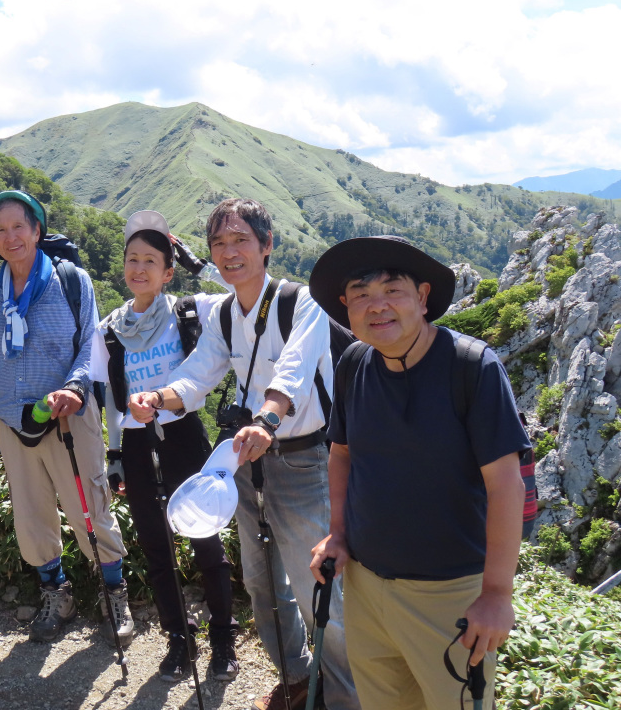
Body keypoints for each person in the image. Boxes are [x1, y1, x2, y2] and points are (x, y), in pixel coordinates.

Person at [130, 197, 359, 710]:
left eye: (240, 240)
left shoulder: (302, 302)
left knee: (317, 588)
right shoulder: (223, 314)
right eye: (219, 243)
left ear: (266, 245)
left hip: (304, 461)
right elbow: (198, 374)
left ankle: (344, 697)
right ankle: (297, 679)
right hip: (247, 462)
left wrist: (267, 420)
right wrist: (158, 398)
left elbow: (293, 372)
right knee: (261, 584)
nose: (229, 252)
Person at [307, 236, 529, 710]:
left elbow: (506, 484)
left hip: (449, 596)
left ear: (423, 297)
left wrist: (496, 593)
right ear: (346, 306)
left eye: (393, 290)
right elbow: (342, 454)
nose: (377, 305)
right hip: (365, 585)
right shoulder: (354, 363)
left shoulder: (471, 367)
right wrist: (337, 534)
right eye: (361, 294)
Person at [0, 190, 133, 647]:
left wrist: (75, 388)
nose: (11, 237)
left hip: (68, 417)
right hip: (11, 418)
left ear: (37, 230)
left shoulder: (71, 281)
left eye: (19, 227)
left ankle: (114, 593)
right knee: (31, 516)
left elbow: (90, 346)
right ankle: (56, 593)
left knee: (90, 511)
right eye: (0, 230)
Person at [91, 210, 238, 682]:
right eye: (132, 259)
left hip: (183, 437)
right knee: (156, 548)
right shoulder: (109, 329)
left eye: (150, 261)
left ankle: (223, 638)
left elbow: (243, 294)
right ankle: (179, 638)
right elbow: (111, 400)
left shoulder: (190, 310)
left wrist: (199, 265)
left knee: (205, 540)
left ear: (168, 272)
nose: (139, 269)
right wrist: (115, 455)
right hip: (136, 446)